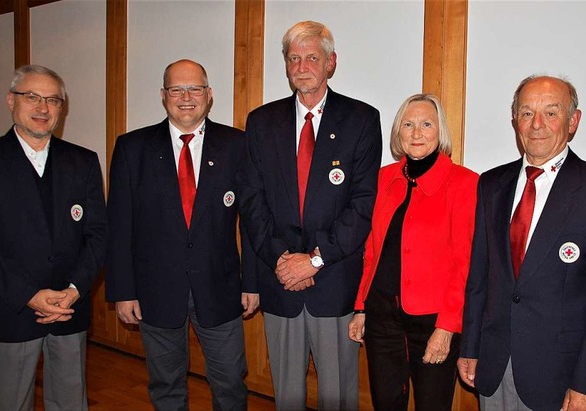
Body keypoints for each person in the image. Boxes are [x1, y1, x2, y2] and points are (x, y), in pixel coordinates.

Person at [237, 20, 382, 411]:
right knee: (286, 395)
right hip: (280, 279)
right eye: (294, 58)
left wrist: (314, 260)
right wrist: (284, 259)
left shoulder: (362, 120)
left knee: (338, 396)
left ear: (331, 63)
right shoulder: (261, 122)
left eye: (312, 58)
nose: (302, 66)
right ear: (286, 65)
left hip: (333, 281)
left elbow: (363, 205)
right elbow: (251, 202)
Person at [105, 59, 258, 411]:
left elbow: (251, 221)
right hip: (155, 290)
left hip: (220, 289)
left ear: (209, 95)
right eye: (176, 89)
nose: (186, 97)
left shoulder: (236, 145)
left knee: (232, 383)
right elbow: (119, 225)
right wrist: (123, 291)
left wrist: (252, 282)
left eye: (195, 89)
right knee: (166, 386)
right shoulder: (132, 148)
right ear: (163, 95)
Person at [458, 75, 586, 411]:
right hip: (493, 364)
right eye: (526, 113)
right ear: (515, 121)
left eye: (551, 113)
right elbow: (479, 276)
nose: (537, 124)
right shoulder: (491, 184)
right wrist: (470, 345)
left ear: (573, 121)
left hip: (562, 376)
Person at [0, 65, 107, 410]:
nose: (43, 108)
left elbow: (98, 235)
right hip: (12, 307)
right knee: (9, 403)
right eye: (32, 97)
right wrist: (29, 295)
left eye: (53, 100)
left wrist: (74, 291)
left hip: (69, 308)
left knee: (71, 402)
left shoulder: (84, 161)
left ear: (62, 107)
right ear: (10, 101)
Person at [348, 94, 478, 410]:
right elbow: (373, 248)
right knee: (386, 401)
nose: (416, 133)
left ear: (440, 131)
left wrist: (446, 328)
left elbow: (466, 264)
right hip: (382, 317)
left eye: (426, 124)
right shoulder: (382, 179)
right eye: (408, 124)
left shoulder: (464, 183)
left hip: (433, 321)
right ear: (398, 132)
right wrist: (361, 306)